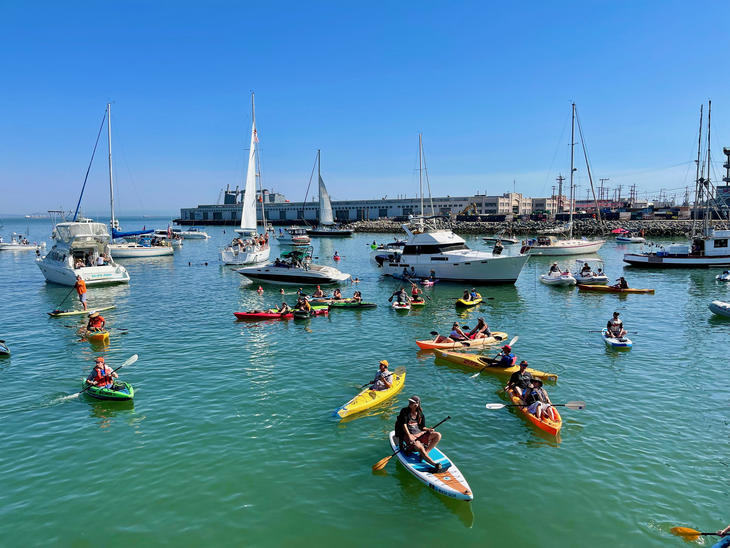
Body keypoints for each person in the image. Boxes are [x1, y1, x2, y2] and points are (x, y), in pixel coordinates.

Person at [394, 396, 443, 471]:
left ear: (417, 404)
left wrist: (428, 429)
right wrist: (409, 436)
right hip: (409, 435)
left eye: (412, 402)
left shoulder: (420, 414)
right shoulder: (404, 411)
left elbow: (422, 427)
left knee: (438, 435)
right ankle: (434, 464)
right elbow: (404, 424)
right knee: (420, 448)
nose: (410, 403)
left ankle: (425, 454)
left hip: (419, 434)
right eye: (410, 402)